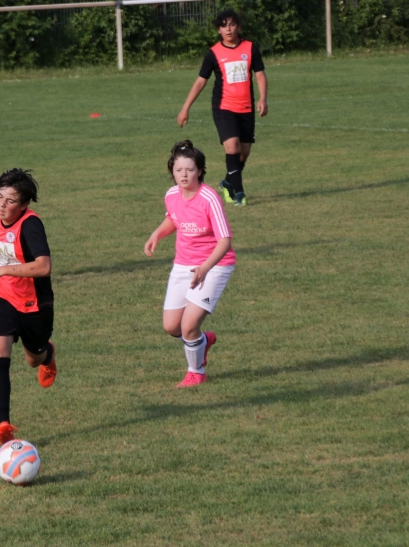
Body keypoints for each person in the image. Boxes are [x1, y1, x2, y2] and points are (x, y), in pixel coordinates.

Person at [0, 169, 57, 444]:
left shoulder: (31, 225)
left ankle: (48, 354)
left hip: (34, 304)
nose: (2, 205)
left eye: (11, 201)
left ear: (24, 205)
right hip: (2, 297)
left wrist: (3, 269)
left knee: (33, 360)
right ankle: (3, 424)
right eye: (0, 196)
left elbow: (44, 267)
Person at [145, 141, 235, 387]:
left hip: (214, 265)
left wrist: (205, 268)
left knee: (188, 326)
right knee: (171, 327)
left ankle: (196, 372)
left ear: (200, 171)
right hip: (183, 264)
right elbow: (174, 218)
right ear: (172, 172)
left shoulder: (209, 198)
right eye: (178, 170)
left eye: (190, 169)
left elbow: (225, 241)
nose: (184, 175)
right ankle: (202, 342)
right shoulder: (171, 195)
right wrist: (157, 234)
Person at [177, 8, 267, 207]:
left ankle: (227, 182)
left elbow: (260, 74)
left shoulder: (250, 48)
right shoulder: (213, 53)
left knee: (243, 153)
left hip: (246, 108)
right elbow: (201, 81)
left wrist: (263, 99)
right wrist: (185, 108)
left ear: (238, 27)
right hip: (224, 107)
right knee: (232, 146)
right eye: (224, 26)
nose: (228, 29)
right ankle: (239, 194)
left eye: (232, 25)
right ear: (218, 29)